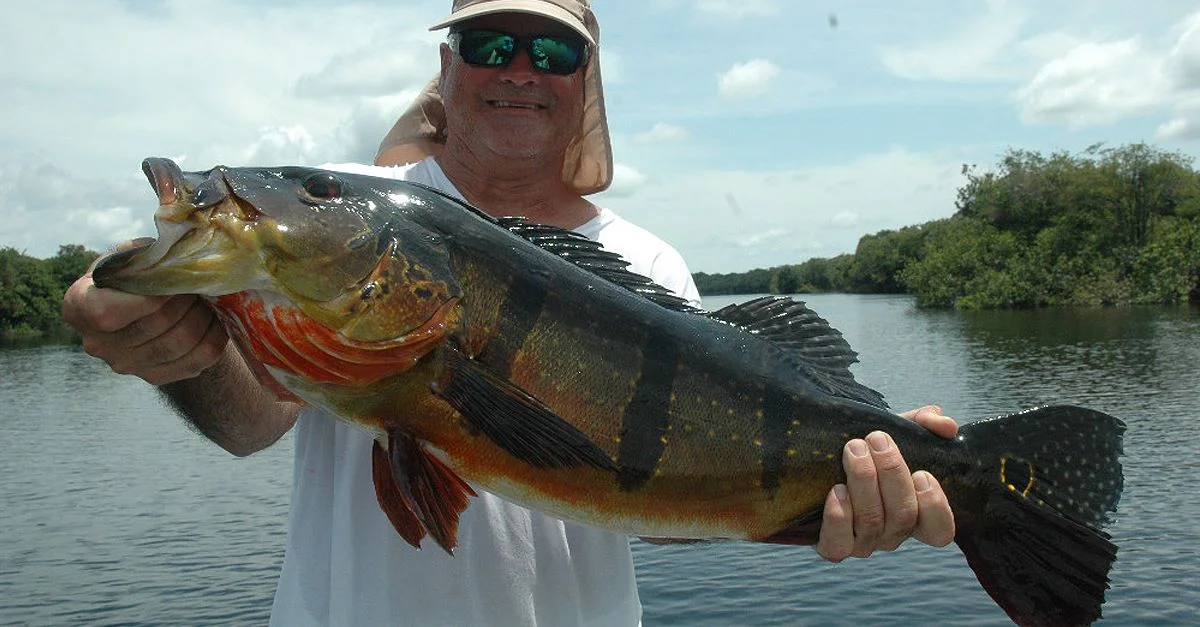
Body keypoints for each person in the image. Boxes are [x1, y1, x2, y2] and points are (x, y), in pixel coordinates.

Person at [62, 0, 959, 625]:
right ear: (447, 69)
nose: (519, 71)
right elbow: (251, 420)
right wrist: (177, 354)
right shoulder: (367, 211)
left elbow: (656, 499)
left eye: (552, 52)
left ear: (583, 84)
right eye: (490, 46)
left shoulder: (646, 265)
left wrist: (840, 497)